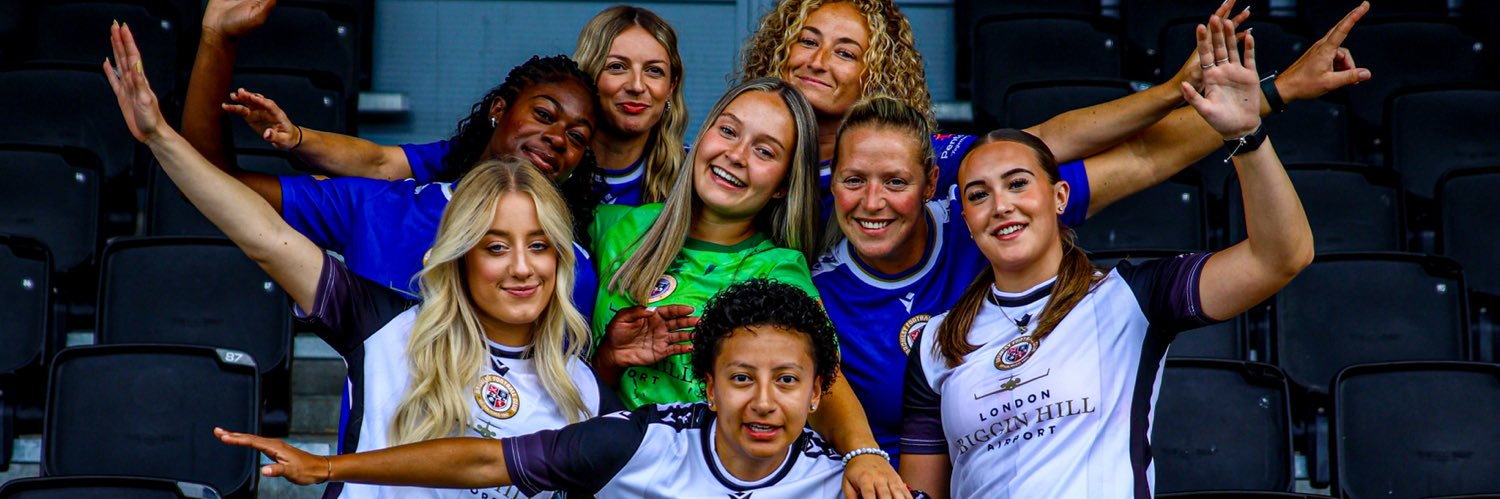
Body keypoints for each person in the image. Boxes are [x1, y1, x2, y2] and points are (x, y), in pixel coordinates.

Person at [105, 23, 619, 499]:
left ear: (564, 262)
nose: (523, 268)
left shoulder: (587, 393)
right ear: (458, 256)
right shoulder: (386, 324)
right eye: (496, 246)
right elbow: (259, 233)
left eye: (540, 246)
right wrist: (160, 138)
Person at [897, 17, 1315, 498]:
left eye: (1018, 184)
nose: (1002, 206)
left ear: (1058, 197)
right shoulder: (934, 342)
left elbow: (1282, 256)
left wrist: (1247, 136)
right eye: (978, 195)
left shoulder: (1131, 297)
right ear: (966, 220)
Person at [216, 279, 926, 499]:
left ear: (816, 393)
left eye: (786, 381)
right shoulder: (640, 441)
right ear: (708, 386)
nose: (763, 401)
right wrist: (327, 466)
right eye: (741, 378)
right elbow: (483, 460)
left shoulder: (845, 485)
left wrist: (867, 452)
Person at [736, 0, 1371, 214]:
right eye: (807, 40)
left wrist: (1275, 90)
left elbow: (1096, 149)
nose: (817, 60)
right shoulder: (726, 159)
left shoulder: (928, 169)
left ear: (875, 75)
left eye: (845, 52)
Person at [588, 77, 910, 499]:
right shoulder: (613, 230)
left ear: (781, 183)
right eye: (728, 130)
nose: (736, 155)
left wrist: (864, 452)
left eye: (764, 151)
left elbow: (823, 380)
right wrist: (609, 357)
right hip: (619, 479)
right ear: (702, 136)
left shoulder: (777, 269)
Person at [179, 0, 602, 306]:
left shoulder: (570, 269)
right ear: (499, 110)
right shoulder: (379, 208)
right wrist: (217, 39)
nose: (558, 138)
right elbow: (210, 183)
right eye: (544, 114)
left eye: (578, 137)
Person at [571, 4, 689, 205]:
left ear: (671, 86)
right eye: (617, 67)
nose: (636, 86)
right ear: (588, 75)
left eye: (653, 70)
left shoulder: (693, 174)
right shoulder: (553, 161)